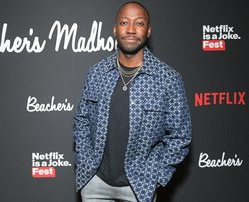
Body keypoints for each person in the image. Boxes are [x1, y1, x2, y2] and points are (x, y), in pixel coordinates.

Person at [73, 1, 192, 202]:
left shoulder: (168, 79)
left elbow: (180, 135)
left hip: (140, 187)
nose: (130, 30)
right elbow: (81, 121)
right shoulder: (97, 73)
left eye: (139, 23)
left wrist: (156, 176)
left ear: (148, 31)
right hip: (94, 184)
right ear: (115, 29)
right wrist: (85, 162)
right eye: (124, 22)